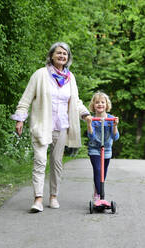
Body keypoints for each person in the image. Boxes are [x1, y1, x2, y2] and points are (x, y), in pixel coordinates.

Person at [11, 42, 92, 212]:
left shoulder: (70, 78)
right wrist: (20, 119)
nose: (62, 56)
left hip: (62, 126)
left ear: (68, 58)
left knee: (56, 163)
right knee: (40, 161)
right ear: (51, 55)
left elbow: (75, 101)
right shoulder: (40, 75)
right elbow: (26, 99)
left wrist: (85, 114)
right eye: (59, 53)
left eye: (65, 54)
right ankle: (38, 199)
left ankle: (53, 196)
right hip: (42, 124)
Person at [86, 91, 119, 205]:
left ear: (106, 105)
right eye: (97, 102)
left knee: (103, 174)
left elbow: (115, 137)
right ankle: (99, 196)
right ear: (93, 105)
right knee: (98, 170)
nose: (100, 104)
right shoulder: (92, 119)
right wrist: (89, 124)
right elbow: (91, 136)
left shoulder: (111, 119)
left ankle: (97, 193)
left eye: (102, 102)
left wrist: (114, 125)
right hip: (95, 149)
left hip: (107, 150)